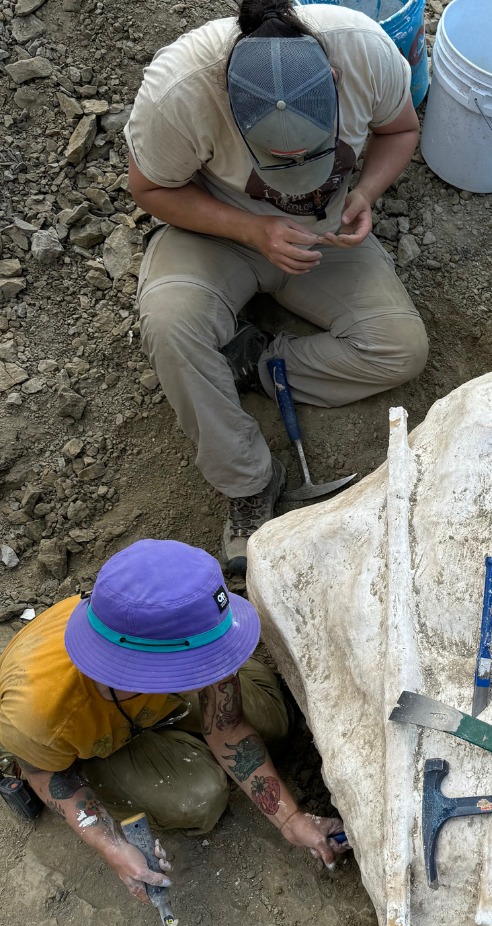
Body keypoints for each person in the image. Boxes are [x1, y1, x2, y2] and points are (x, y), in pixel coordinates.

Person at [125, 0, 429, 576]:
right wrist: (252, 228)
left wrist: (363, 194)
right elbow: (150, 188)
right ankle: (249, 484)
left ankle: (254, 362)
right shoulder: (181, 89)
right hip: (219, 233)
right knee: (171, 323)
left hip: (326, 237)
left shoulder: (364, 51)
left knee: (400, 347)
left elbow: (401, 129)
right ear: (229, 105)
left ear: (334, 82)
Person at [0, 539, 345, 902]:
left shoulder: (182, 618)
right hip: (93, 744)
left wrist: (290, 820)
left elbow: (228, 726)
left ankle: (175, 740)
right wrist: (112, 845)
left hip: (144, 700)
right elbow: (44, 774)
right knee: (200, 798)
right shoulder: (38, 714)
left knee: (272, 724)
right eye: (200, 663)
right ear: (140, 666)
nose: (215, 670)